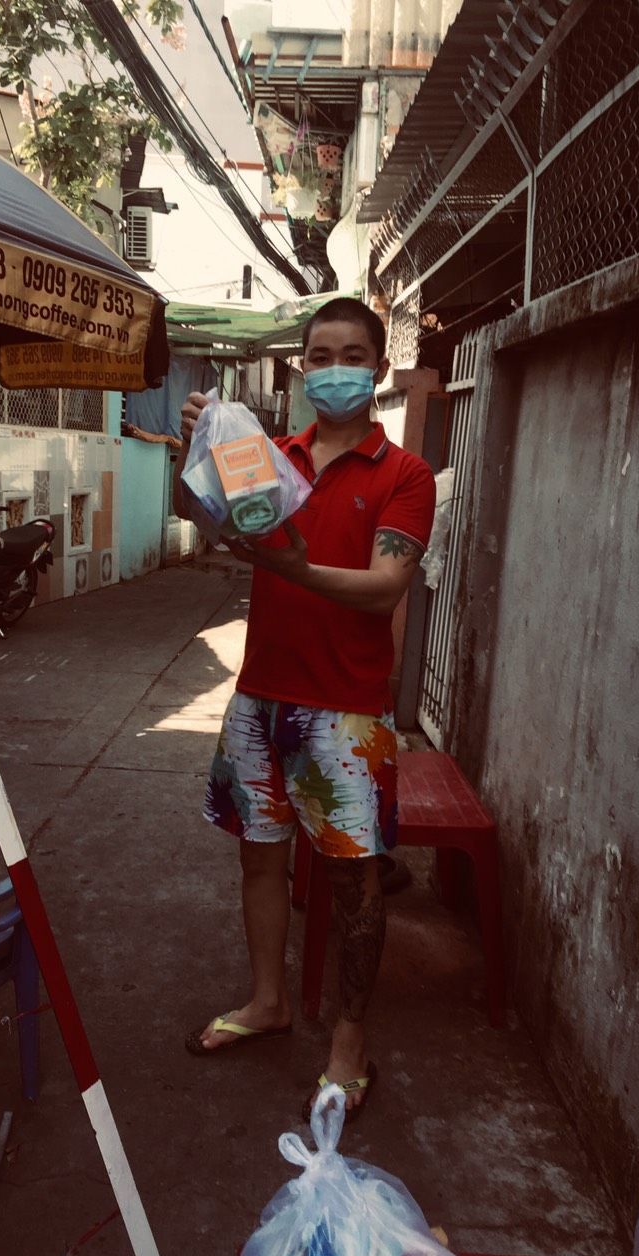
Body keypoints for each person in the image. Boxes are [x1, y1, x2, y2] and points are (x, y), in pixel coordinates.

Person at [173, 296, 436, 1122]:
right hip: (260, 697)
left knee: (355, 884)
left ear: (379, 369)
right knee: (259, 860)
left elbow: (386, 587)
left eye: (352, 356)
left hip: (347, 715)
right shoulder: (269, 456)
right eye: (320, 356)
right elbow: (200, 517)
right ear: (301, 368)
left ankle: (350, 1046)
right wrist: (197, 450)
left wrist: (294, 569)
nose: (335, 370)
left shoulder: (404, 475)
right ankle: (268, 1001)